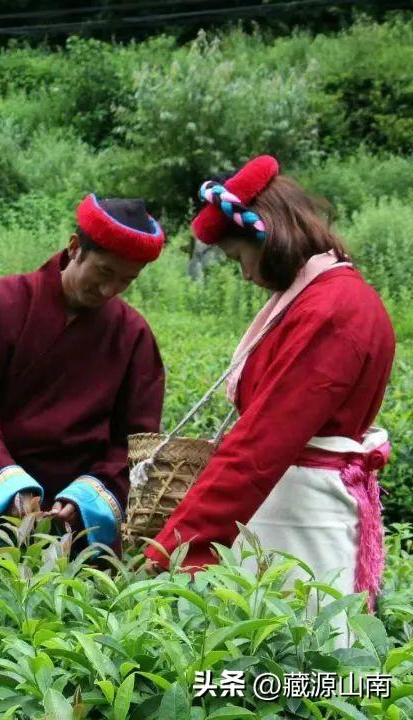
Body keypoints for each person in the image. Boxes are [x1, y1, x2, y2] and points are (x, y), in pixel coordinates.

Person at [144, 155, 396, 625]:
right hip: (290, 510)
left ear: (269, 234)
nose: (243, 274)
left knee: (299, 664)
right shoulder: (325, 297)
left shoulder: (333, 309)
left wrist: (177, 545)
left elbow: (263, 439)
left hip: (303, 523)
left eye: (239, 257)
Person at [0, 194, 166, 554]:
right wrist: (9, 484)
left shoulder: (133, 335)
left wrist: (85, 498)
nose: (110, 290)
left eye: (127, 280)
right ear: (75, 247)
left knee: (76, 606)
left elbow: (135, 442)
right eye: (104, 272)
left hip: (79, 519)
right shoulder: (1, 302)